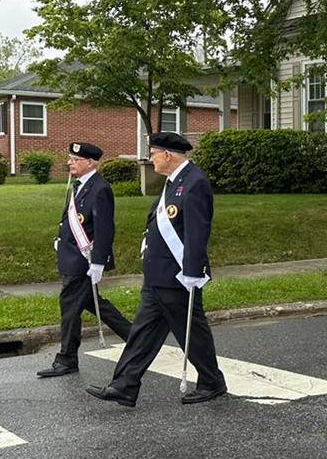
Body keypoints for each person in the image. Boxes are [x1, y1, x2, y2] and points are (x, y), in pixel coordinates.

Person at [88, 132, 226, 407]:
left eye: (153, 154)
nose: (150, 159)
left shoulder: (194, 182)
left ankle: (212, 381)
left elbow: (198, 231)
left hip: (177, 275)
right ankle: (124, 386)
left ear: (168, 155)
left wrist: (191, 270)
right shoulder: (174, 182)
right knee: (142, 332)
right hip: (158, 275)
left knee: (192, 331)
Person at [38, 142, 133, 379]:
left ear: (89, 163)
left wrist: (99, 262)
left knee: (69, 308)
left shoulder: (100, 189)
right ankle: (137, 339)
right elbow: (72, 218)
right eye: (70, 158)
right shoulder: (79, 185)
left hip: (83, 260)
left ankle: (66, 359)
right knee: (94, 304)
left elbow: (104, 228)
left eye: (74, 159)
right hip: (71, 256)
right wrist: (61, 238)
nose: (69, 162)